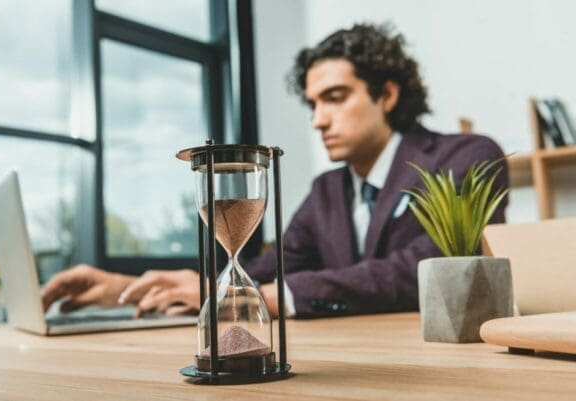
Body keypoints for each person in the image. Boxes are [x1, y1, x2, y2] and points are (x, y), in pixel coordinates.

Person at [42, 23, 508, 319]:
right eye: (312, 104)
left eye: (335, 97)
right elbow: (261, 268)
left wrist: (266, 299)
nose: (318, 120)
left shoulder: (466, 157)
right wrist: (132, 287)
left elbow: (423, 272)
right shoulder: (328, 190)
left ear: (386, 94)